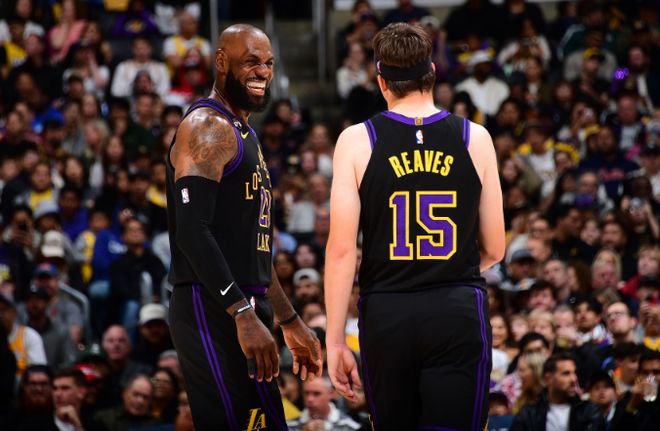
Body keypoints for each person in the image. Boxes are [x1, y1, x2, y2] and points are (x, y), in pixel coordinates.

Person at [325, 23, 505, 430]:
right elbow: (495, 248)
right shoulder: (475, 137)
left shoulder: (356, 140)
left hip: (387, 311)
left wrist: (335, 342)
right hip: (456, 307)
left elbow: (341, 251)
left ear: (381, 81)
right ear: (433, 74)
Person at [166, 24, 322, 430]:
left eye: (268, 63)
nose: (263, 71)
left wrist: (289, 319)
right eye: (251, 61)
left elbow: (255, 251)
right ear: (221, 62)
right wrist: (241, 313)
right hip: (210, 305)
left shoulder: (244, 133)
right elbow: (192, 230)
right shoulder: (207, 126)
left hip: (247, 306)